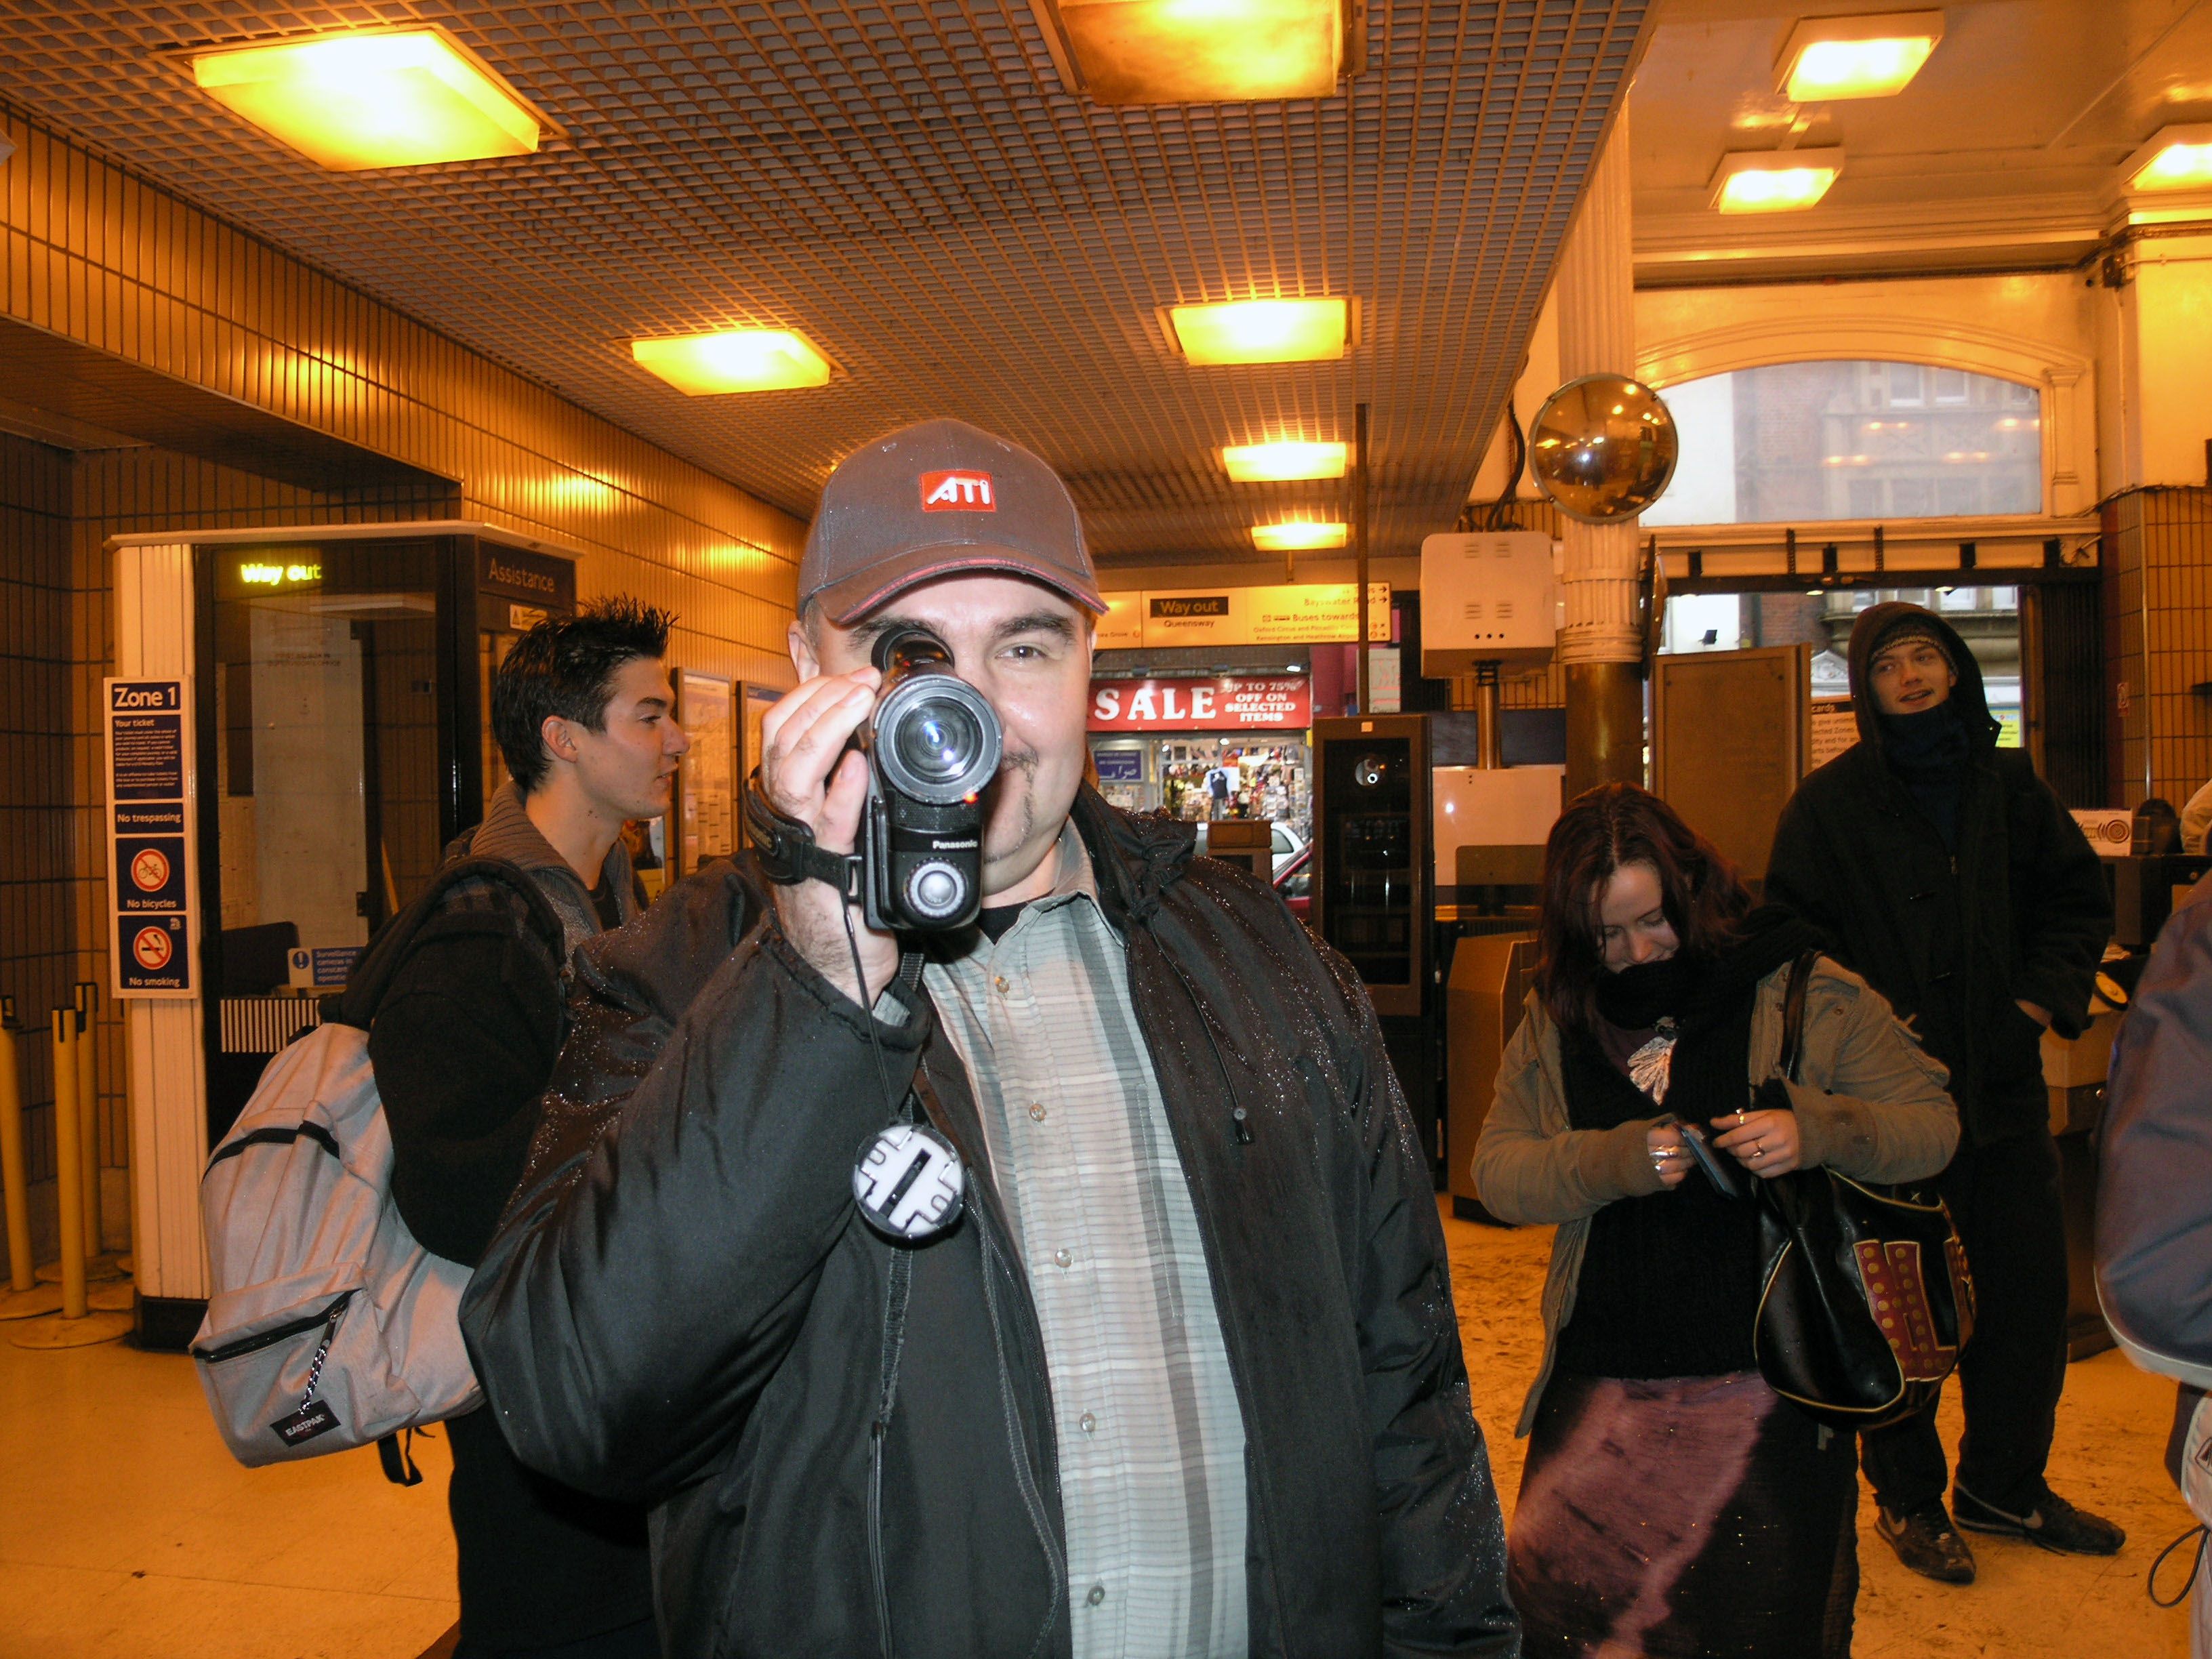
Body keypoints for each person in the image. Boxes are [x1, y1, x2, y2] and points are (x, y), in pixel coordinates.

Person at [459, 419, 1519, 1659]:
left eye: (1025, 646)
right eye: (909, 656)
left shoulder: (1272, 971)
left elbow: (1410, 1401)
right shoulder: (674, 979)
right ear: (805, 667)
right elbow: (579, 1405)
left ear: (1089, 665)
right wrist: (814, 986)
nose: (971, 714)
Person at [1473, 783, 1958, 1659]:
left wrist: (1816, 1131)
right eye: (1605, 934)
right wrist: (1614, 1161)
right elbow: (1499, 1174)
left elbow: (1932, 1126)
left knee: (1760, 1630)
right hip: (1601, 1388)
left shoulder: (1796, 983)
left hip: (1770, 1392)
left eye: (1651, 920)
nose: (1633, 953)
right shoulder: (1561, 1012)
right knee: (1572, 1631)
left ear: (1691, 889)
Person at [1765, 600, 2119, 1583]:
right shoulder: (1828, 806)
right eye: (1889, 666)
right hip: (1887, 1112)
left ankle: (2005, 1486)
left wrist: (2036, 1004)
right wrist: (1864, 1037)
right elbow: (1792, 941)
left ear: (1956, 668)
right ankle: (1909, 1500)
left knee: (2026, 1302)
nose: (1912, 677)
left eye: (1926, 657)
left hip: (2003, 1094)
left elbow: (2076, 902)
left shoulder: (2009, 786)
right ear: (1866, 688)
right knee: (1899, 1309)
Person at [371, 598, 689, 1659]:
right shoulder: (480, 930)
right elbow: (452, 1190)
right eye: (649, 716)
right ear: (565, 738)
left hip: (613, 1385)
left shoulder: (606, 897)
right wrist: (643, 1100)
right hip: (533, 1430)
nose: (677, 741)